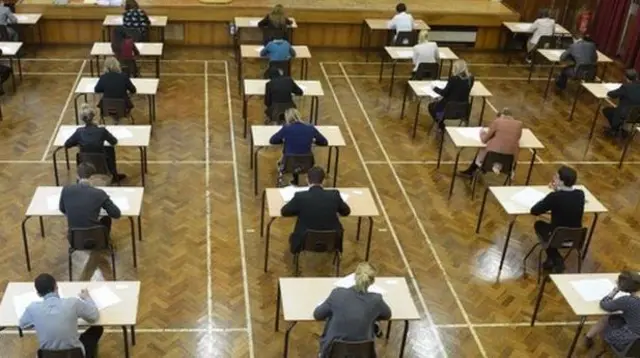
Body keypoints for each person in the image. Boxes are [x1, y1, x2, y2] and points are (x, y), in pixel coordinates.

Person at [313, 262, 392, 357]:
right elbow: (387, 314)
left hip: (333, 352)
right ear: (372, 281)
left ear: (355, 277)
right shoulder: (376, 300)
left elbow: (318, 314)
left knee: (330, 318)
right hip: (363, 353)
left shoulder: (337, 294)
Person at [19, 273, 104, 358]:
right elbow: (94, 316)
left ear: (38, 294)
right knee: (97, 328)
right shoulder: (73, 303)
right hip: (75, 355)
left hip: (47, 355)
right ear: (56, 286)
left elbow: (22, 325)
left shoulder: (32, 308)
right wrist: (87, 297)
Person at [281, 166, 350, 253]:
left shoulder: (300, 197)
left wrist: (299, 211)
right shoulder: (334, 195)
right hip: (332, 239)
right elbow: (346, 212)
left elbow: (284, 212)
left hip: (305, 239)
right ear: (324, 181)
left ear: (307, 180)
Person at [530, 166, 585, 273]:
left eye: (556, 177)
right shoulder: (580, 194)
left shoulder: (554, 197)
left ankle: (556, 258)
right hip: (576, 237)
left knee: (539, 225)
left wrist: (551, 195)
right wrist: (557, 190)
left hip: (557, 236)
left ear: (561, 181)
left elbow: (534, 211)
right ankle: (551, 260)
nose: (554, 178)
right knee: (557, 229)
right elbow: (566, 198)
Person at [64, 104, 126, 182]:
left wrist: (79, 142)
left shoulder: (79, 132)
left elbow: (67, 144)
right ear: (93, 117)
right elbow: (114, 142)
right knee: (109, 149)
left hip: (86, 165)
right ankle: (114, 174)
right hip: (102, 164)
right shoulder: (102, 131)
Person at [60, 162, 121, 236]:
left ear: (77, 176)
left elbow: (62, 209)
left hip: (74, 238)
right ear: (93, 177)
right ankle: (105, 241)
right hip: (95, 237)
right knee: (106, 219)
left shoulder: (66, 190)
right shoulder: (99, 193)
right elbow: (116, 214)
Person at [270, 108, 327, 186]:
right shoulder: (310, 128)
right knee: (298, 157)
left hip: (289, 163)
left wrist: (283, 141)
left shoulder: (286, 128)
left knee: (282, 161)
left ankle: (289, 182)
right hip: (307, 163)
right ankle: (295, 180)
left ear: (287, 118)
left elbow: (272, 140)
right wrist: (314, 141)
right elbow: (324, 142)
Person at [458, 108, 523, 177]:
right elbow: (517, 138)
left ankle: (472, 171)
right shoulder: (519, 124)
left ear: (500, 115)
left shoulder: (497, 122)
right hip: (509, 162)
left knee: (482, 150)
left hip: (491, 158)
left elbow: (484, 140)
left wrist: (481, 132)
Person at [585, 271, 640, 350]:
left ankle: (589, 336)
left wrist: (615, 291)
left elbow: (604, 305)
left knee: (606, 317)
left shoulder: (627, 301)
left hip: (631, 340)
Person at [428, 59, 474, 130]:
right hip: (463, 108)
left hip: (449, 107)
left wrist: (434, 88)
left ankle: (441, 123)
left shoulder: (453, 79)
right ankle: (441, 120)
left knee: (431, 106)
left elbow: (444, 93)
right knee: (440, 105)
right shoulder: (470, 79)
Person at [602, 69, 640, 136]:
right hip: (636, 116)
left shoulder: (625, 87)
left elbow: (611, 94)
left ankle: (614, 129)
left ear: (626, 78)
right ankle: (624, 129)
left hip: (624, 114)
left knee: (606, 110)